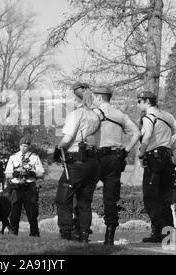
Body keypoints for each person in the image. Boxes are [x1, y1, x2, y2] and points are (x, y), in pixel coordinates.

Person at [91, 86, 141, 245]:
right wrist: (125, 151)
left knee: (84, 193)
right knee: (110, 199)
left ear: (99, 98)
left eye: (94, 97)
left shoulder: (94, 113)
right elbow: (137, 133)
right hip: (115, 158)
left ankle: (82, 232)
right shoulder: (120, 115)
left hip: (97, 157)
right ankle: (109, 237)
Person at [137, 91, 176, 243]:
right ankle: (168, 234)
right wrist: (170, 148)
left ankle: (158, 232)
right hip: (167, 159)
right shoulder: (167, 116)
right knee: (165, 197)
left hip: (154, 159)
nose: (138, 104)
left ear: (147, 101)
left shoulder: (148, 117)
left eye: (139, 101)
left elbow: (147, 136)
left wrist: (141, 153)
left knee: (151, 197)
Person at [54, 82, 101, 243]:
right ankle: (84, 234)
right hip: (93, 162)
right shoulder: (95, 115)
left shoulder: (76, 114)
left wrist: (57, 148)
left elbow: (67, 139)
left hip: (77, 161)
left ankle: (66, 233)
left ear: (75, 98)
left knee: (63, 197)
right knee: (84, 201)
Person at [5, 136, 44, 237]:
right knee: (14, 212)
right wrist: (15, 173)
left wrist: (32, 173)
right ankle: (13, 233)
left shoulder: (34, 157)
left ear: (29, 146)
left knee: (32, 213)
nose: (23, 148)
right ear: (19, 145)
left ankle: (34, 233)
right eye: (22, 145)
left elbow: (41, 174)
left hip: (29, 188)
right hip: (16, 188)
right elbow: (7, 174)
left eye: (26, 146)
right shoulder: (13, 157)